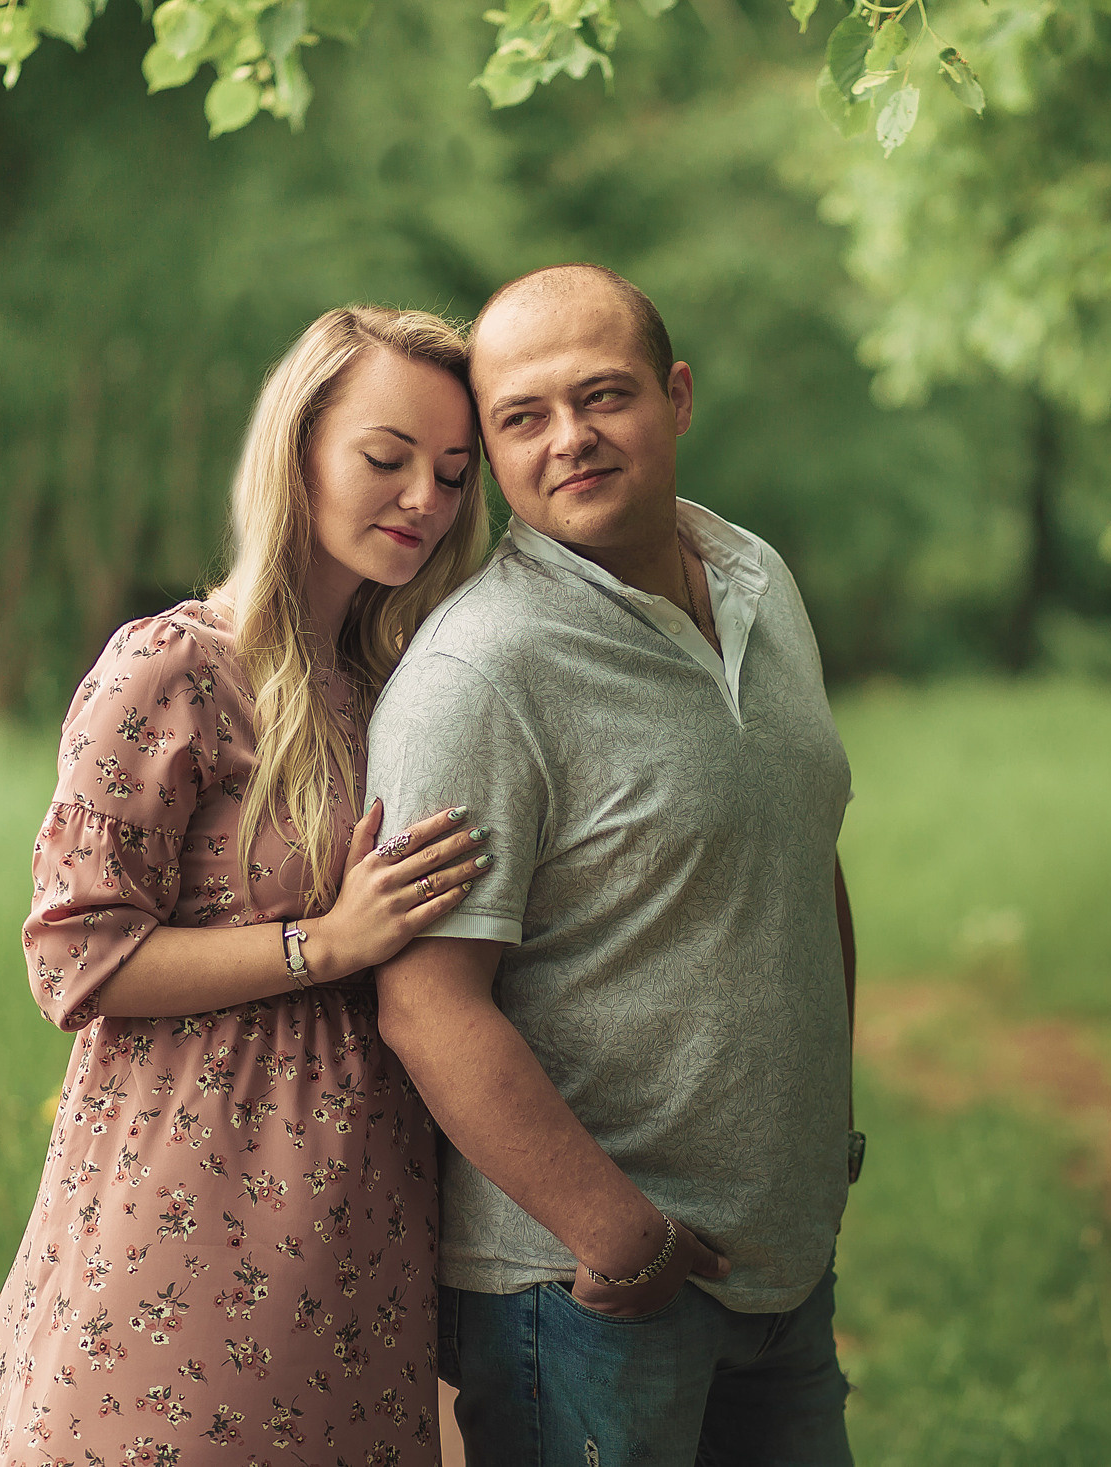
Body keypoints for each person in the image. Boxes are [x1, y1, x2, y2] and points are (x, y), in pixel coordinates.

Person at [0, 306, 495, 1467]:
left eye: (450, 473)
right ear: (298, 449)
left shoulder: (396, 684)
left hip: (363, 1208)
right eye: (385, 459)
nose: (422, 502)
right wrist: (321, 946)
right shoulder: (174, 666)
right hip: (195, 1192)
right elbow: (70, 960)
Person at [367, 264, 861, 1465]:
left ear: (676, 397)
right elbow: (426, 1005)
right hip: (583, 1295)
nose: (570, 441)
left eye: (604, 397)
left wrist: (820, 1132)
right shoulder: (479, 674)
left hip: (777, 1265)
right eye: (523, 418)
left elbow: (801, 856)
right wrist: (617, 1235)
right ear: (488, 447)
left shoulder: (756, 580)